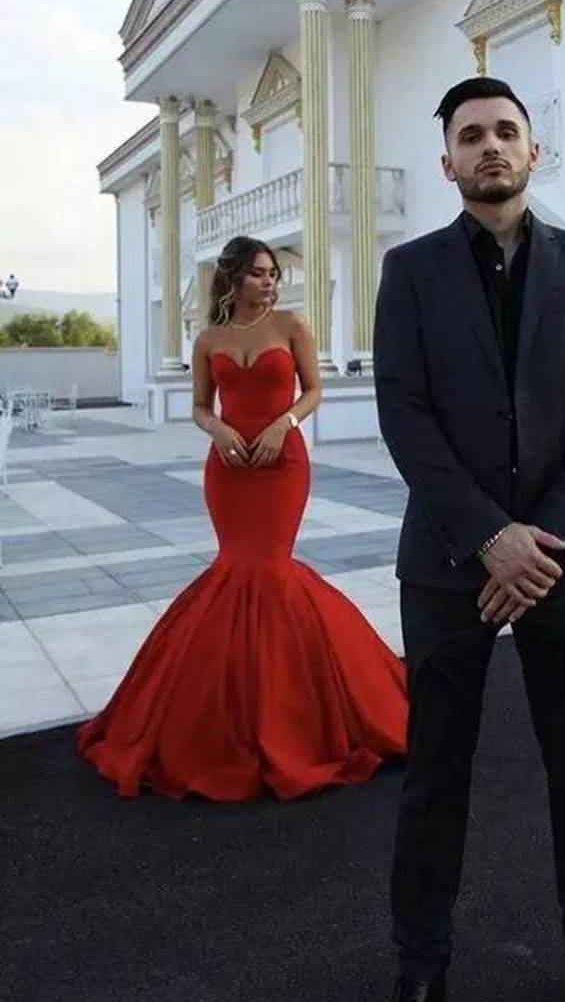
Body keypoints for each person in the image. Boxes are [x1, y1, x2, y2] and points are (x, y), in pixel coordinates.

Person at [374, 78, 565, 1002]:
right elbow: (404, 414)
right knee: (435, 772)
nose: (491, 147)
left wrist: (542, 539)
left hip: (564, 560)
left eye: (506, 132)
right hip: (449, 562)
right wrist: (490, 537)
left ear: (534, 152)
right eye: (471, 135)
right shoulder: (409, 271)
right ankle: (421, 965)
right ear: (447, 161)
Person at [77, 236, 407, 801]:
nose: (270, 281)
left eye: (274, 273)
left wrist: (284, 425)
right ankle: (226, 721)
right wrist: (221, 431)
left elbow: (315, 389)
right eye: (259, 273)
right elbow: (201, 407)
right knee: (236, 568)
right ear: (233, 279)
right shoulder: (208, 340)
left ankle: (298, 716)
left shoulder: (291, 326)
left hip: (283, 466)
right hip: (229, 470)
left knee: (270, 569)